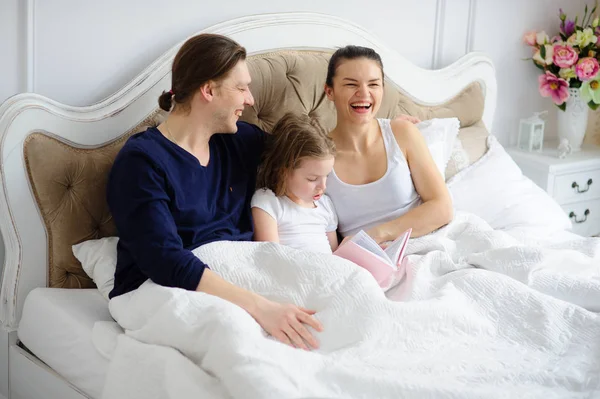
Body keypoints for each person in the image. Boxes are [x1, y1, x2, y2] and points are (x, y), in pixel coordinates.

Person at [106, 33, 323, 351]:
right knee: (233, 336)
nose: (249, 99)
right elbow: (164, 260)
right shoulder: (142, 162)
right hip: (164, 287)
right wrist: (261, 308)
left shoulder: (237, 141)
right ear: (208, 90)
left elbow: (308, 155)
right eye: (241, 88)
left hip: (242, 274)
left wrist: (389, 132)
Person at [323, 45, 454, 243]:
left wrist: (379, 234)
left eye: (374, 84)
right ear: (329, 91)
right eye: (351, 84)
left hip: (425, 242)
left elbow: (442, 207)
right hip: (367, 261)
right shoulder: (318, 155)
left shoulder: (402, 133)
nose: (364, 93)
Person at [251, 112, 339, 254]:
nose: (323, 187)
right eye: (312, 179)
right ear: (284, 171)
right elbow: (270, 258)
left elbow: (336, 256)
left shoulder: (325, 205)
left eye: (326, 176)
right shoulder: (268, 202)